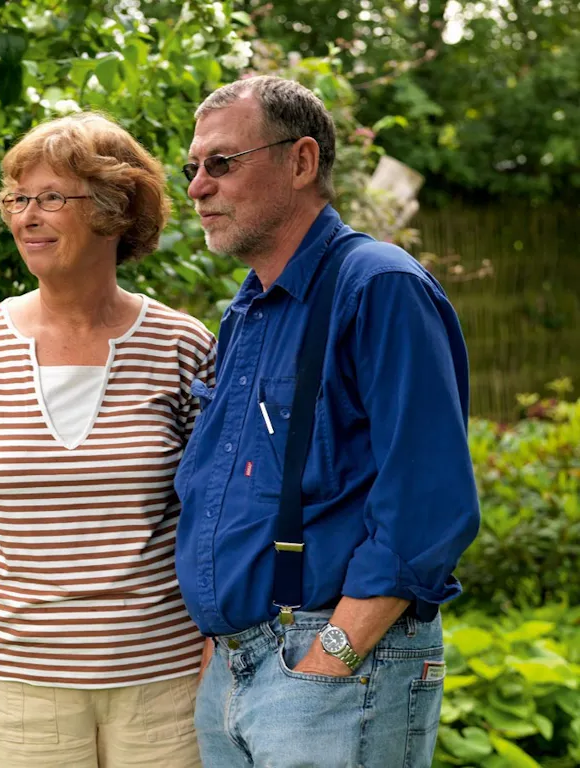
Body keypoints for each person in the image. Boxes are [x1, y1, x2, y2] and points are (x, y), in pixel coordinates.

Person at [173, 75, 480, 768]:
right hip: (235, 672)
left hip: (328, 670)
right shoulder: (247, 312)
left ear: (302, 161)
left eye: (221, 162)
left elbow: (428, 505)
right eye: (192, 168)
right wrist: (221, 650)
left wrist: (330, 656)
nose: (197, 188)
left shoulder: (378, 286)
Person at [0, 112, 215, 768]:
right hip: (10, 680)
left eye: (50, 197)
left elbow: (216, 504)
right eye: (17, 199)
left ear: (115, 209)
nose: (27, 217)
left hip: (163, 675)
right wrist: (15, 583)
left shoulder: (183, 347)